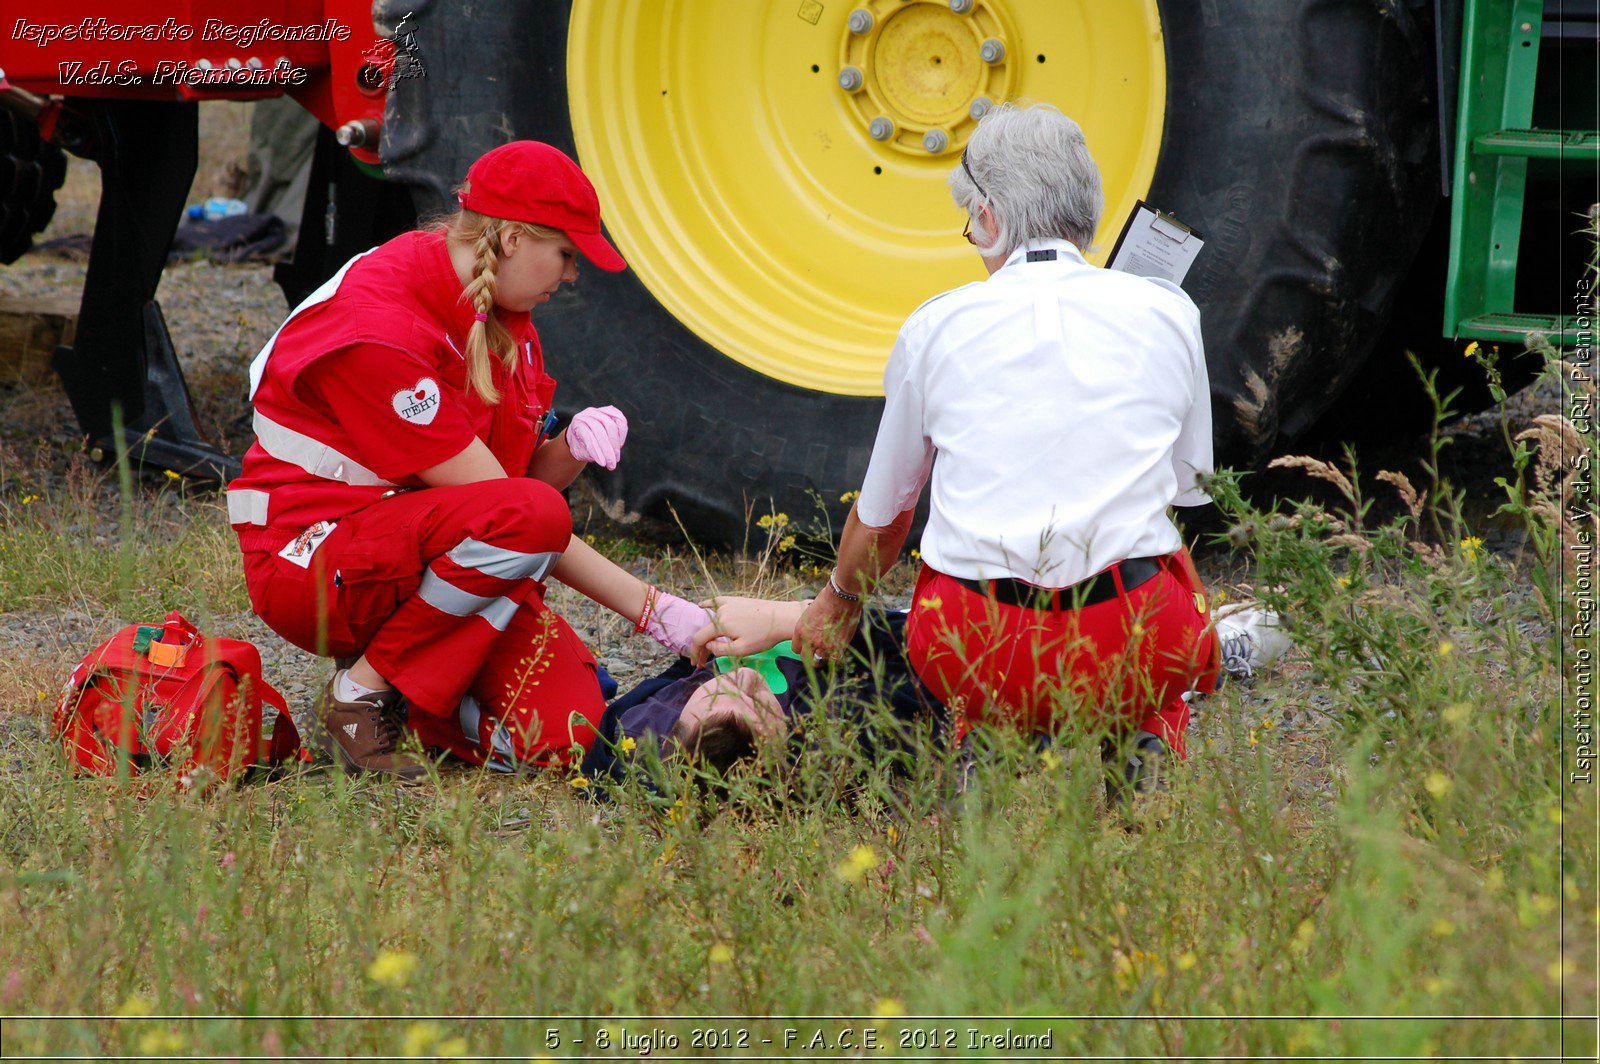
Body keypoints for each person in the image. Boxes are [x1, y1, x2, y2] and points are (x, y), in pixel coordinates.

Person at [227, 141, 709, 779]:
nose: (571, 276)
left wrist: (566, 450)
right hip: (315, 563)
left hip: (415, 558)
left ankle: (413, 695)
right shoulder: (382, 330)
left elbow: (504, 499)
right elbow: (518, 514)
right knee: (531, 520)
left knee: (569, 735)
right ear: (511, 238)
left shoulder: (500, 311)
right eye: (566, 254)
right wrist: (655, 610)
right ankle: (362, 694)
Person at [782, 102, 1223, 786]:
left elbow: (888, 520)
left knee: (963, 613)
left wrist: (837, 602)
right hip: (1129, 635)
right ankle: (1147, 735)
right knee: (1168, 573)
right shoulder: (1169, 310)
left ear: (989, 218)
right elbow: (1190, 487)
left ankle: (982, 736)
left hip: (980, 643)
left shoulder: (935, 325)